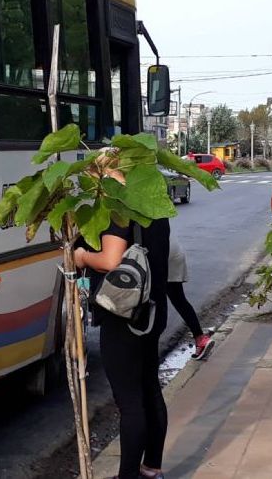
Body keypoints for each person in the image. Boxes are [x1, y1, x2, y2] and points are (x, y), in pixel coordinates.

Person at [73, 155, 170, 479]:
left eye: (97, 178)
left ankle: (127, 476)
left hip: (123, 315)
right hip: (153, 309)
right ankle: (151, 468)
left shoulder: (118, 206)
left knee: (129, 401)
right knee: (149, 389)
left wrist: (82, 255)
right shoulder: (154, 204)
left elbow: (111, 260)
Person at [167, 235, 214, 360]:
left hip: (162, 256)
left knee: (152, 302)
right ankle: (200, 338)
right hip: (171, 252)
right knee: (178, 300)